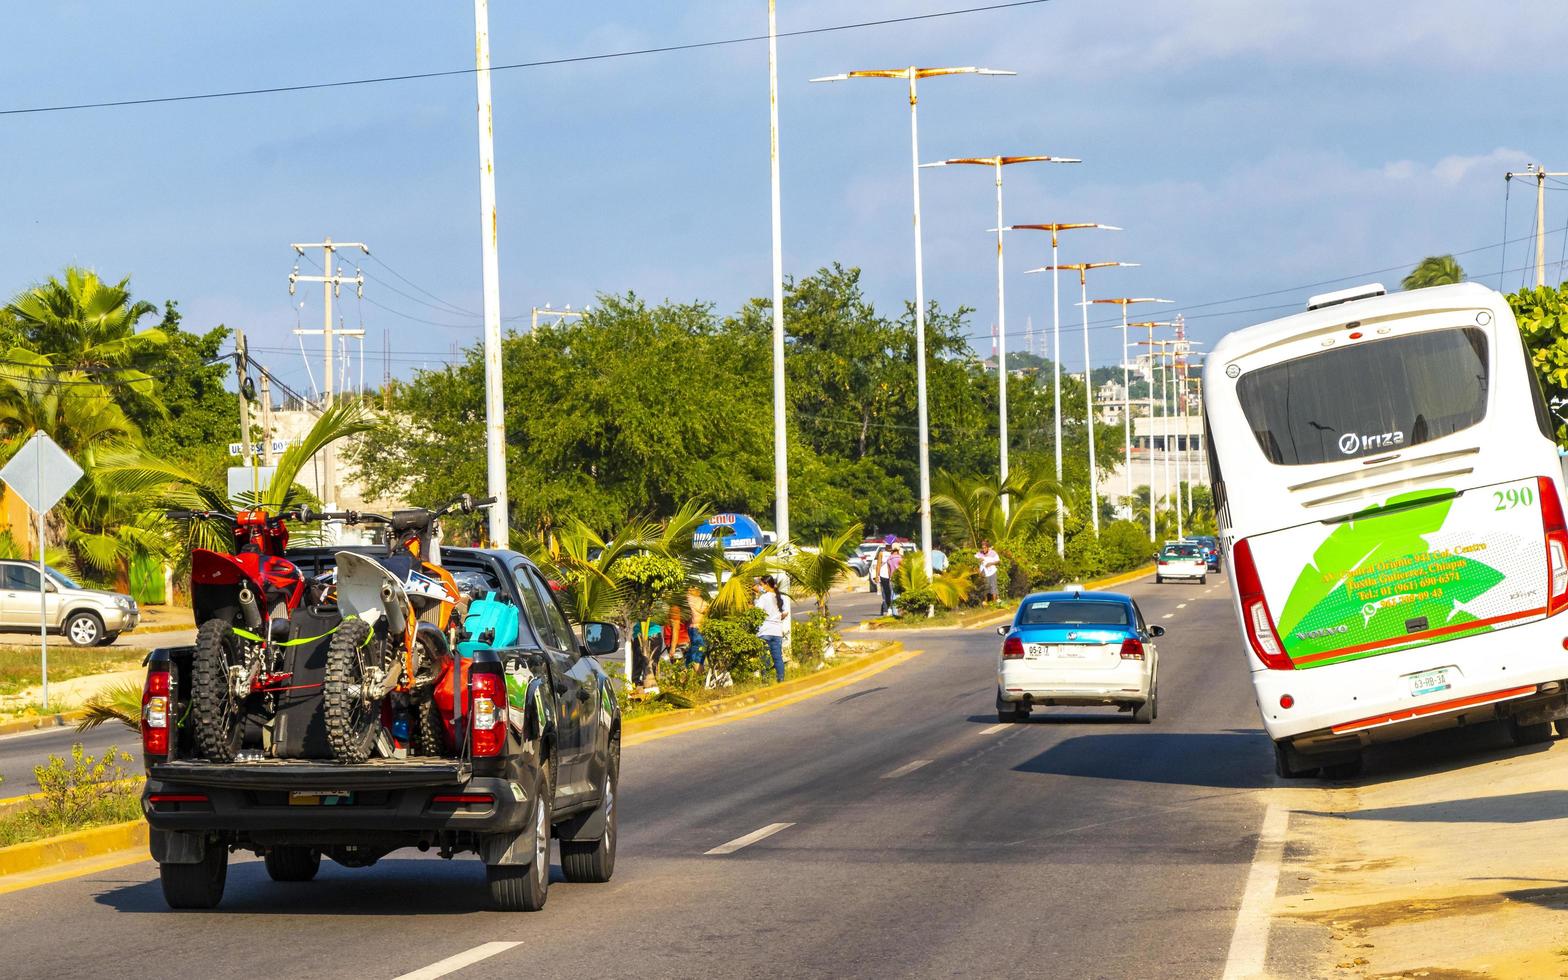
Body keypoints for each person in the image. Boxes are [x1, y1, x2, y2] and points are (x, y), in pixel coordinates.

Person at [755, 574, 791, 682]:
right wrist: (777, 617)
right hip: (777, 631)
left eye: (761, 584)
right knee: (778, 657)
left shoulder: (763, 598)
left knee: (764, 657)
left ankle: (765, 680)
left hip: (765, 630)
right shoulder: (780, 597)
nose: (761, 587)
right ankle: (780, 679)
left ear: (766, 584)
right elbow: (785, 613)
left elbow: (757, 612)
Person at [874, 545, 893, 616]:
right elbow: (878, 565)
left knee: (891, 592)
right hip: (883, 575)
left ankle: (890, 607)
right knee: (885, 592)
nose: (889, 547)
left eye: (890, 546)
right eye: (888, 545)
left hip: (891, 575)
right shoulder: (881, 553)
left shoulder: (894, 553)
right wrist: (877, 576)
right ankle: (886, 608)